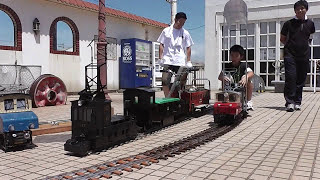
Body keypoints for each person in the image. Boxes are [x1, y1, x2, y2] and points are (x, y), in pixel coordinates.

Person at [280, 0, 315, 112]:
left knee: (301, 79)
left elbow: (310, 37)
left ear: (306, 9)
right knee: (291, 78)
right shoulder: (288, 23)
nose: (300, 10)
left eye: (302, 8)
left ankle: (297, 102)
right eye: (298, 9)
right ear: (295, 10)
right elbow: (282, 39)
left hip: (303, 56)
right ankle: (289, 102)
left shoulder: (310, 24)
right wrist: (290, 47)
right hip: (290, 55)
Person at [157, 12, 194, 97]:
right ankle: (167, 98)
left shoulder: (185, 33)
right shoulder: (166, 31)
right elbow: (161, 44)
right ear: (175, 20)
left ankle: (180, 97)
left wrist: (188, 61)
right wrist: (160, 58)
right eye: (180, 22)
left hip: (179, 60)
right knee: (165, 80)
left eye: (183, 23)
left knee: (181, 80)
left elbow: (188, 47)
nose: (181, 24)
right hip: (168, 60)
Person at [218, 45, 254, 110]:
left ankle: (248, 101)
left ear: (241, 57)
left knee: (249, 81)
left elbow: (251, 73)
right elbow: (220, 76)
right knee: (224, 80)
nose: (233, 58)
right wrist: (223, 77)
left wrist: (246, 76)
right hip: (230, 86)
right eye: (232, 55)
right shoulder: (227, 66)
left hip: (241, 85)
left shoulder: (244, 65)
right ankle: (225, 99)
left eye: (236, 56)